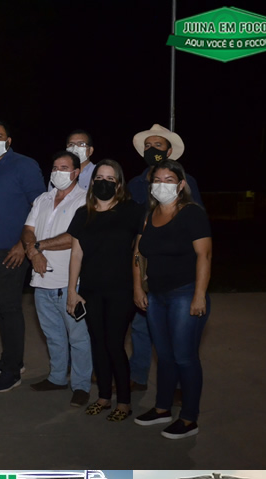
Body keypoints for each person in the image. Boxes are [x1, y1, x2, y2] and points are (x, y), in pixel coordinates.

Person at [133, 159, 211, 439]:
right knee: (164, 356)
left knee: (184, 357)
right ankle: (162, 408)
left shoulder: (192, 213)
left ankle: (189, 418)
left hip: (185, 293)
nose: (162, 185)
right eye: (157, 180)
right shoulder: (149, 214)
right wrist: (138, 288)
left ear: (181, 185)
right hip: (156, 295)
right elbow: (138, 253)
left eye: (169, 180)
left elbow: (204, 255)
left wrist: (199, 296)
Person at [126, 124, 204, 393]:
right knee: (141, 326)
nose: (152, 150)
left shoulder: (185, 181)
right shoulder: (135, 183)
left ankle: (181, 387)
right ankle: (138, 376)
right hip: (145, 263)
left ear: (169, 151)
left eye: (158, 146)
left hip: (177, 268)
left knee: (179, 336)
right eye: (148, 146)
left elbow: (197, 229)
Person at [66, 160, 144, 421]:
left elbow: (140, 251)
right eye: (100, 177)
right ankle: (103, 397)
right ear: (92, 182)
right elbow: (76, 254)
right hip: (91, 290)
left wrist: (140, 285)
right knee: (97, 344)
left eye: (110, 179)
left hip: (122, 290)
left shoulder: (131, 211)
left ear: (119, 184)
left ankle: (124, 401)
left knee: (114, 343)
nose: (104, 182)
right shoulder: (83, 213)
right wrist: (72, 291)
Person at [0, 119, 45, 392]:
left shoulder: (24, 165)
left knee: (10, 308)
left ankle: (13, 371)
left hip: (12, 250)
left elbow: (40, 207)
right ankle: (10, 358)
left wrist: (22, 245)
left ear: (8, 140)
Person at [22, 151, 92, 407]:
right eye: (54, 167)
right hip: (41, 281)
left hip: (70, 282)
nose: (57, 172)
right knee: (52, 335)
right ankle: (57, 377)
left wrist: (37, 247)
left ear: (76, 172)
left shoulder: (85, 200)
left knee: (78, 338)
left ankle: (81, 385)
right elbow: (27, 230)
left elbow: (75, 237)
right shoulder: (43, 198)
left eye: (64, 167)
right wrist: (33, 252)